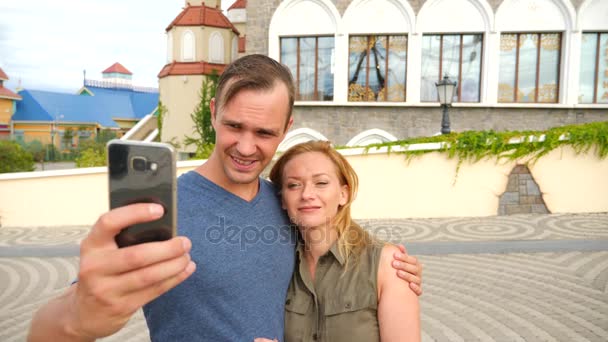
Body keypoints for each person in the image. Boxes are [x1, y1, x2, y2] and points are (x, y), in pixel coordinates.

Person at [28, 54, 423, 341]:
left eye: (265, 133)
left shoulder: (285, 203)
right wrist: (76, 318)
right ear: (214, 112)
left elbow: (336, 248)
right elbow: (56, 322)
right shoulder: (159, 209)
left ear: (286, 128)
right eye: (234, 126)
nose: (247, 147)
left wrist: (391, 269)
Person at [264, 141, 420, 341]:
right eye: (294, 185)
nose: (307, 195)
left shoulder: (388, 264)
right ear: (283, 200)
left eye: (321, 183)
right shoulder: (276, 264)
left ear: (343, 194)